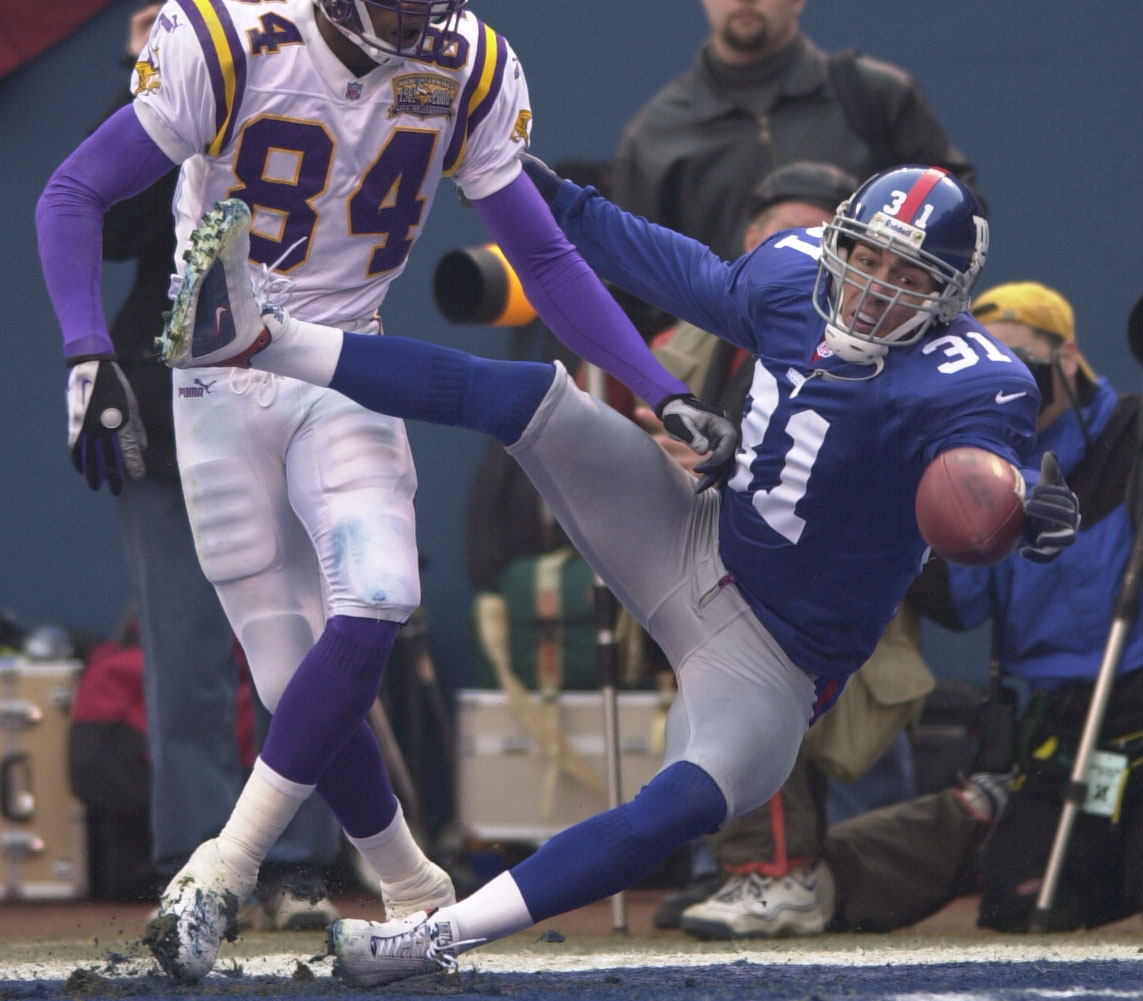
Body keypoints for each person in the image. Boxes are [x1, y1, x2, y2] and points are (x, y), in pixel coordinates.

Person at [35, 0, 724, 983]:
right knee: (290, 672)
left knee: (383, 596)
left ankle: (220, 868)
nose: (414, 11)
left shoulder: (467, 65)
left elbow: (542, 250)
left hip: (343, 362)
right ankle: (413, 890)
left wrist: (657, 381)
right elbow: (71, 192)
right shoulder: (228, 35)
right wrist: (83, 353)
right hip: (210, 381)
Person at [156, 158, 1079, 984]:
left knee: (680, 802)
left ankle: (435, 932)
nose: (875, 289)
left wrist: (1018, 513)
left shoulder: (972, 380)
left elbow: (983, 484)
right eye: (867, 258)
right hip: (692, 537)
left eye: (907, 275)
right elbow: (664, 264)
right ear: (838, 240)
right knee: (532, 397)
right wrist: (530, 184)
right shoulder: (794, 273)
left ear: (949, 295)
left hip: (777, 657)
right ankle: (257, 336)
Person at [97, 0, 342, 928]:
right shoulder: (194, 75)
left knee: (306, 646)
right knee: (187, 657)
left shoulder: (350, 91)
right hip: (172, 403)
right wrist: (150, 69)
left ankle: (296, 864)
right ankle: (199, 867)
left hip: (301, 396)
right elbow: (114, 224)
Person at [629, 161, 934, 937]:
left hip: (846, 595)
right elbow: (628, 418)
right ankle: (751, 873)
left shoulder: (899, 345)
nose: (804, 251)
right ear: (751, 242)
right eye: (784, 234)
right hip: (717, 574)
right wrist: (652, 451)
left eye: (821, 235)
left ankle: (791, 880)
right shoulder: (684, 340)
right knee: (728, 725)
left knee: (849, 775)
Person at [804, 281, 1143, 934]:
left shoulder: (1129, 436)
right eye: (992, 358)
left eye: (1023, 357)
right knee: (1016, 902)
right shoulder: (979, 465)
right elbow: (958, 602)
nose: (1012, 375)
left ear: (1066, 356)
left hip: (1131, 698)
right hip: (1058, 731)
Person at [610, 0, 979, 338]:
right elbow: (631, 286)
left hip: (875, 355)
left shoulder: (874, 97)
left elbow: (959, 226)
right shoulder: (656, 134)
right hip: (720, 370)